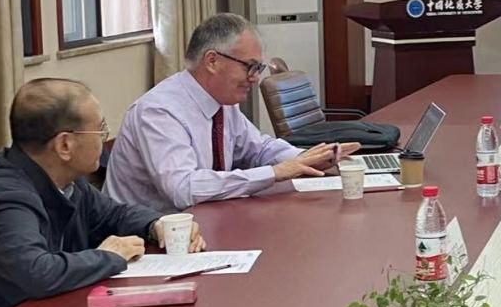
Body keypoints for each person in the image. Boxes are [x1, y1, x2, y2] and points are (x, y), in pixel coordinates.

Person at [0, 79, 202, 307]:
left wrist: (156, 224)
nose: (103, 138)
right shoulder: (1, 196)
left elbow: (114, 214)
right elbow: (37, 273)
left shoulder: (64, 179)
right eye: (100, 129)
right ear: (65, 145)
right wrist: (108, 256)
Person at [106, 14, 360, 212]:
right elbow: (183, 189)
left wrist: (307, 158)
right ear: (212, 61)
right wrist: (275, 172)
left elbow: (258, 149)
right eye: (250, 67)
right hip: (145, 240)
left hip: (204, 223)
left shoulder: (222, 103)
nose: (255, 78)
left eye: (258, 68)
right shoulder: (160, 111)